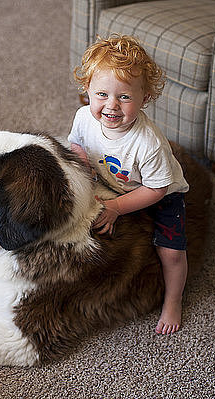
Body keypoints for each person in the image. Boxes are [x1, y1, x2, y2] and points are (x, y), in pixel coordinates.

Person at [68, 34, 189, 335]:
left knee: (171, 252)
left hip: (159, 193)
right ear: (87, 90)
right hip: (110, 181)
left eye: (124, 97)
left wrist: (117, 207)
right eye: (101, 95)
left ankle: (174, 299)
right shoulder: (84, 118)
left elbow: (156, 189)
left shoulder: (149, 144)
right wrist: (82, 160)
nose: (111, 106)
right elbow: (74, 144)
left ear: (145, 98)